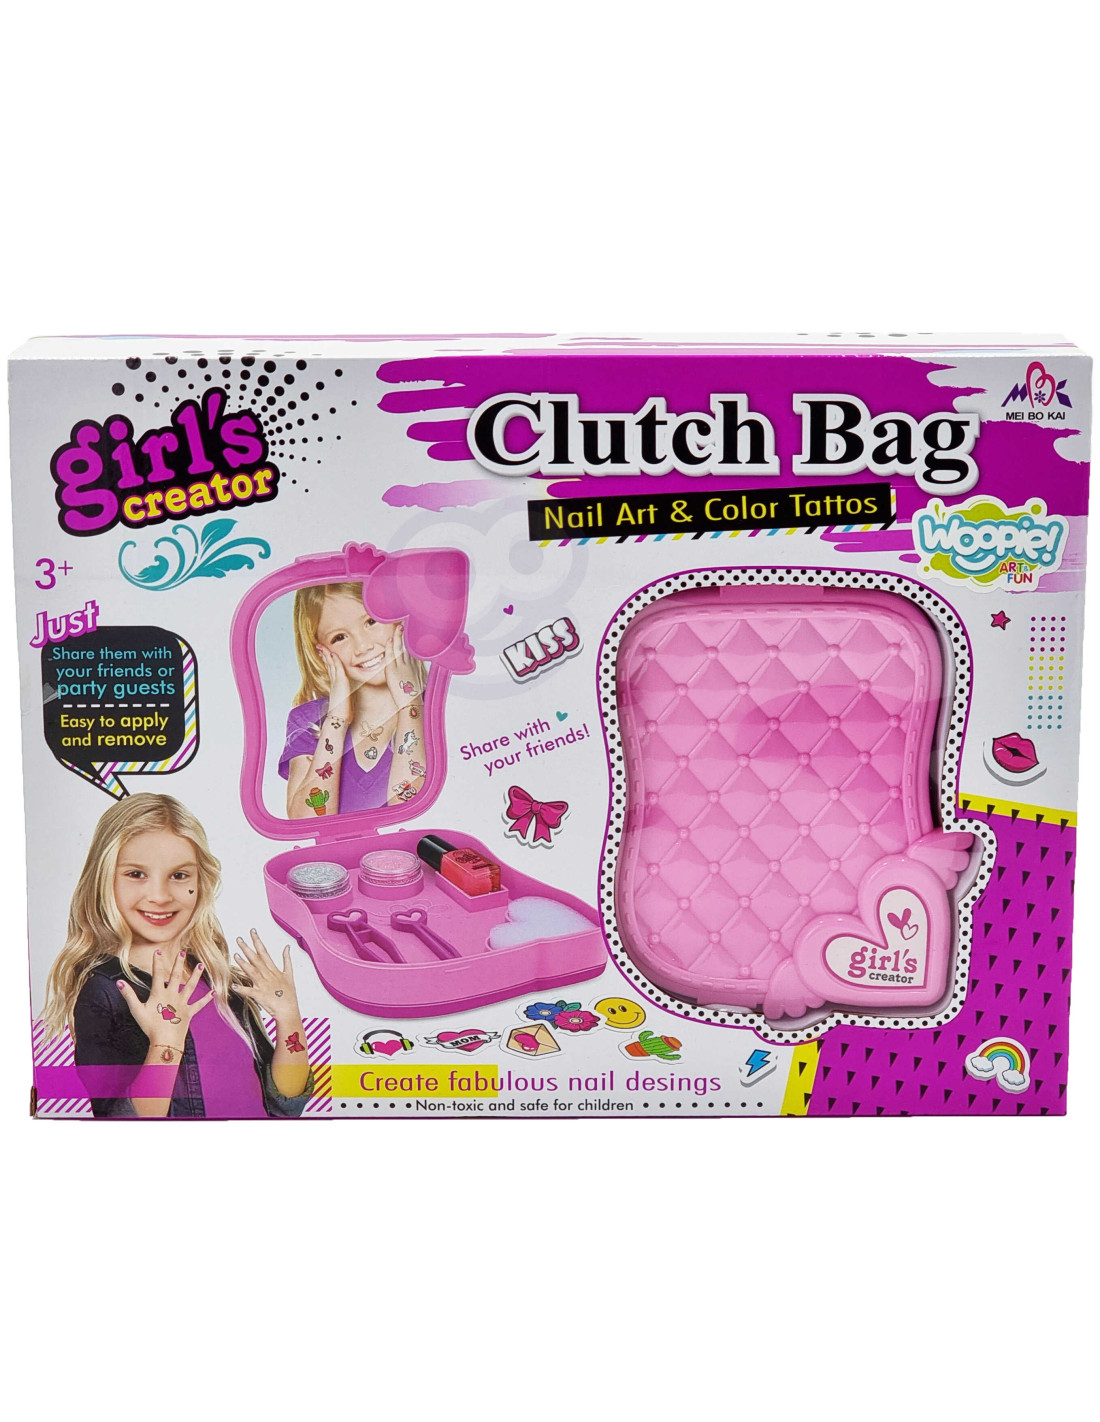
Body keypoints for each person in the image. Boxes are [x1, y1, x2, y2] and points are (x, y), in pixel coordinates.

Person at [42, 793, 313, 1119]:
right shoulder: (107, 991)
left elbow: (287, 1103)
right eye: (136, 874)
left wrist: (288, 1016)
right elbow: (119, 1122)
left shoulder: (220, 981)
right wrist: (165, 1044)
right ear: (104, 878)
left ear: (200, 881)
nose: (159, 896)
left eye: (179, 875)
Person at [282, 580, 427, 817]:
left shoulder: (437, 706)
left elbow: (409, 809)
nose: (363, 646)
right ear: (320, 652)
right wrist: (337, 720)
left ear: (400, 619)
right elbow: (307, 822)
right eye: (339, 637)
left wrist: (410, 703)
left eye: (371, 621)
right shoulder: (309, 720)